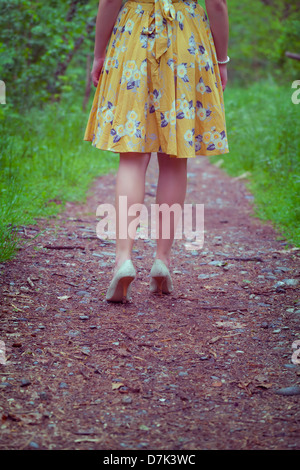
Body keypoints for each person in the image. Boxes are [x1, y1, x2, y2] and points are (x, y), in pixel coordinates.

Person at [84, 0, 229, 302]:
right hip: (186, 36)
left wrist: (99, 54)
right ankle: (162, 259)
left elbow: (110, 1)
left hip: (135, 35)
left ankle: (123, 259)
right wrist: (221, 60)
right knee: (175, 159)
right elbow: (216, 4)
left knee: (132, 157)